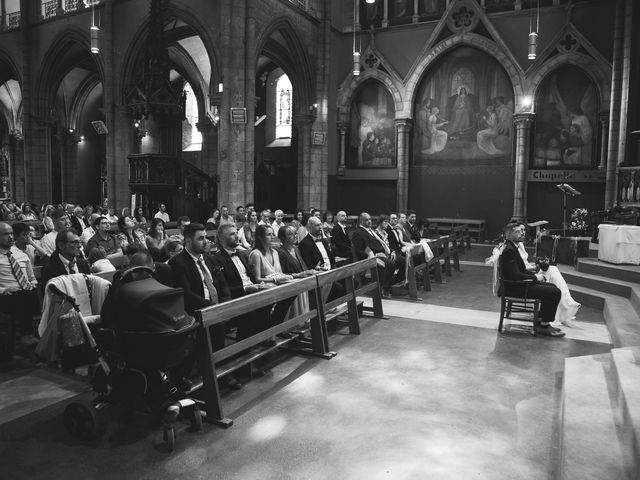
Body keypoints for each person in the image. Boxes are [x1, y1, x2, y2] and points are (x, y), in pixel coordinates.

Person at [499, 222, 564, 337]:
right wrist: (535, 277)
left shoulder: (512, 246)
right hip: (516, 288)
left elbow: (519, 271)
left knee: (552, 287)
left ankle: (540, 320)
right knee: (555, 292)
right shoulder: (509, 250)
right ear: (509, 234)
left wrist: (535, 277)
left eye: (523, 231)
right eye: (519, 231)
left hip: (518, 285)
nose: (523, 233)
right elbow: (515, 276)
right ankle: (544, 326)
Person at [0, 222, 39, 349]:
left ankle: (45, 332)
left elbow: (31, 277)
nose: (10, 237)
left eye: (11, 233)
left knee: (37, 293)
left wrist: (33, 283)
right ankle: (26, 334)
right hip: (6, 295)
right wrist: (3, 290)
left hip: (25, 293)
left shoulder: (21, 254)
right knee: (23, 296)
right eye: (6, 234)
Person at [350, 212, 397, 299]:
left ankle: (386, 285)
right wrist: (374, 257)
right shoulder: (358, 233)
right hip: (371, 258)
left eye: (370, 219)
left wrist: (391, 251)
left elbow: (383, 244)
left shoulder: (371, 230)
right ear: (361, 221)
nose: (369, 221)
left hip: (383, 254)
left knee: (401, 261)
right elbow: (359, 251)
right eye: (366, 220)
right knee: (391, 264)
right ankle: (384, 288)